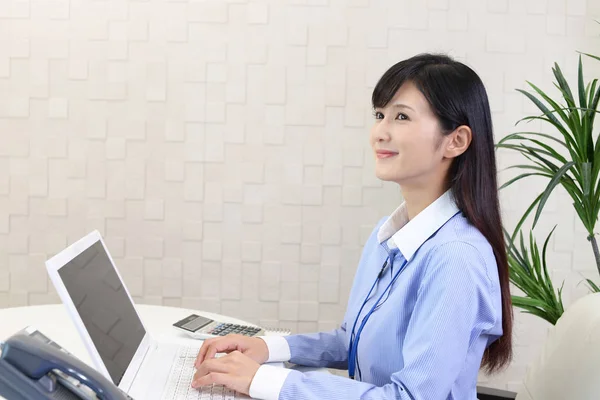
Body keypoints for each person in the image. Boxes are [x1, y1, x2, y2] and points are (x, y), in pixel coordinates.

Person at [191, 53, 513, 399]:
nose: (379, 133)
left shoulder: (456, 259)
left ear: (456, 141)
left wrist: (266, 382)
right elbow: (353, 341)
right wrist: (268, 349)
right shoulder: (388, 235)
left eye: (401, 116)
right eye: (380, 115)